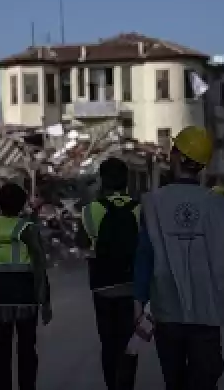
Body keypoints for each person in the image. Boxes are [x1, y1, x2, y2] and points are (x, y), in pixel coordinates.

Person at [133, 125, 224, 390]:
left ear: (175, 156)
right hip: (208, 307)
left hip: (167, 307)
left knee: (174, 381)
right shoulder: (221, 206)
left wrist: (138, 300)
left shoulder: (152, 204)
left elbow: (144, 255)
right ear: (202, 165)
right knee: (204, 379)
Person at [0, 183, 53, 390]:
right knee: (26, 350)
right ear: (22, 205)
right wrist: (45, 302)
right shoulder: (27, 228)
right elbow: (39, 266)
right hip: (25, 300)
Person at [79, 157, 141, 390]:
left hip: (102, 286)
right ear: (126, 180)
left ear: (102, 180)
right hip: (131, 286)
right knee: (128, 343)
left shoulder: (90, 211)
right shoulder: (139, 209)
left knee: (108, 343)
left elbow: (82, 242)